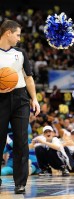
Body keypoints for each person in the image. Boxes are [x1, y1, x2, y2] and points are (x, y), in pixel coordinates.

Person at [0, 19, 40, 194]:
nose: (19, 38)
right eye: (17, 34)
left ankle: (20, 183)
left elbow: (29, 77)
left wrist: (35, 99)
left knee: (22, 141)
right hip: (0, 98)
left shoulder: (21, 53)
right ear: (8, 33)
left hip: (20, 98)